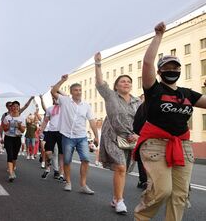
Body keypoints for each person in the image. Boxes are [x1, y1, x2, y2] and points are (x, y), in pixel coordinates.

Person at [133, 22, 206, 221]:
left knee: (180, 195)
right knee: (162, 191)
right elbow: (147, 63)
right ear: (159, 72)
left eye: (175, 67)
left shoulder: (188, 94)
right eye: (167, 67)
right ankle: (141, 217)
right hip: (155, 145)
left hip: (183, 146)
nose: (172, 70)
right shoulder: (154, 90)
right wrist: (158, 35)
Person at [94, 52, 141, 215]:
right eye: (123, 81)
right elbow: (100, 83)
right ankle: (120, 201)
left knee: (125, 169)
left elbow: (143, 121)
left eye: (129, 81)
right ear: (116, 86)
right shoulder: (110, 96)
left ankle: (116, 197)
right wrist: (98, 64)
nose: (126, 83)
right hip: (113, 136)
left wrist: (137, 134)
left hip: (131, 139)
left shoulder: (138, 101)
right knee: (120, 167)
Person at [51, 75, 100, 194]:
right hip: (67, 136)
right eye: (75, 90)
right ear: (71, 92)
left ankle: (83, 185)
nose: (78, 92)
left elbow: (92, 121)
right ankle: (68, 182)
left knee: (86, 159)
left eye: (79, 90)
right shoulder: (65, 100)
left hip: (82, 136)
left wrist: (96, 136)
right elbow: (53, 91)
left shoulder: (86, 105)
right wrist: (62, 80)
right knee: (67, 161)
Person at [1, 98, 33, 182]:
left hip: (17, 138)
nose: (15, 108)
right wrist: (8, 126)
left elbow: (23, 130)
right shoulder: (7, 117)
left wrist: (19, 126)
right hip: (8, 138)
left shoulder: (22, 118)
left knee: (14, 156)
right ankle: (11, 173)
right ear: (11, 108)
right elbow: (4, 129)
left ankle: (13, 169)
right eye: (13, 106)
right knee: (10, 155)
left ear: (19, 108)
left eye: (17, 106)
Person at [39, 95, 64, 180]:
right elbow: (45, 121)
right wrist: (41, 131)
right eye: (54, 98)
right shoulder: (50, 109)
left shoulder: (65, 107)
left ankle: (61, 174)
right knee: (48, 153)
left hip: (62, 132)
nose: (55, 99)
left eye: (57, 98)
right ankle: (47, 168)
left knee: (61, 154)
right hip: (51, 132)